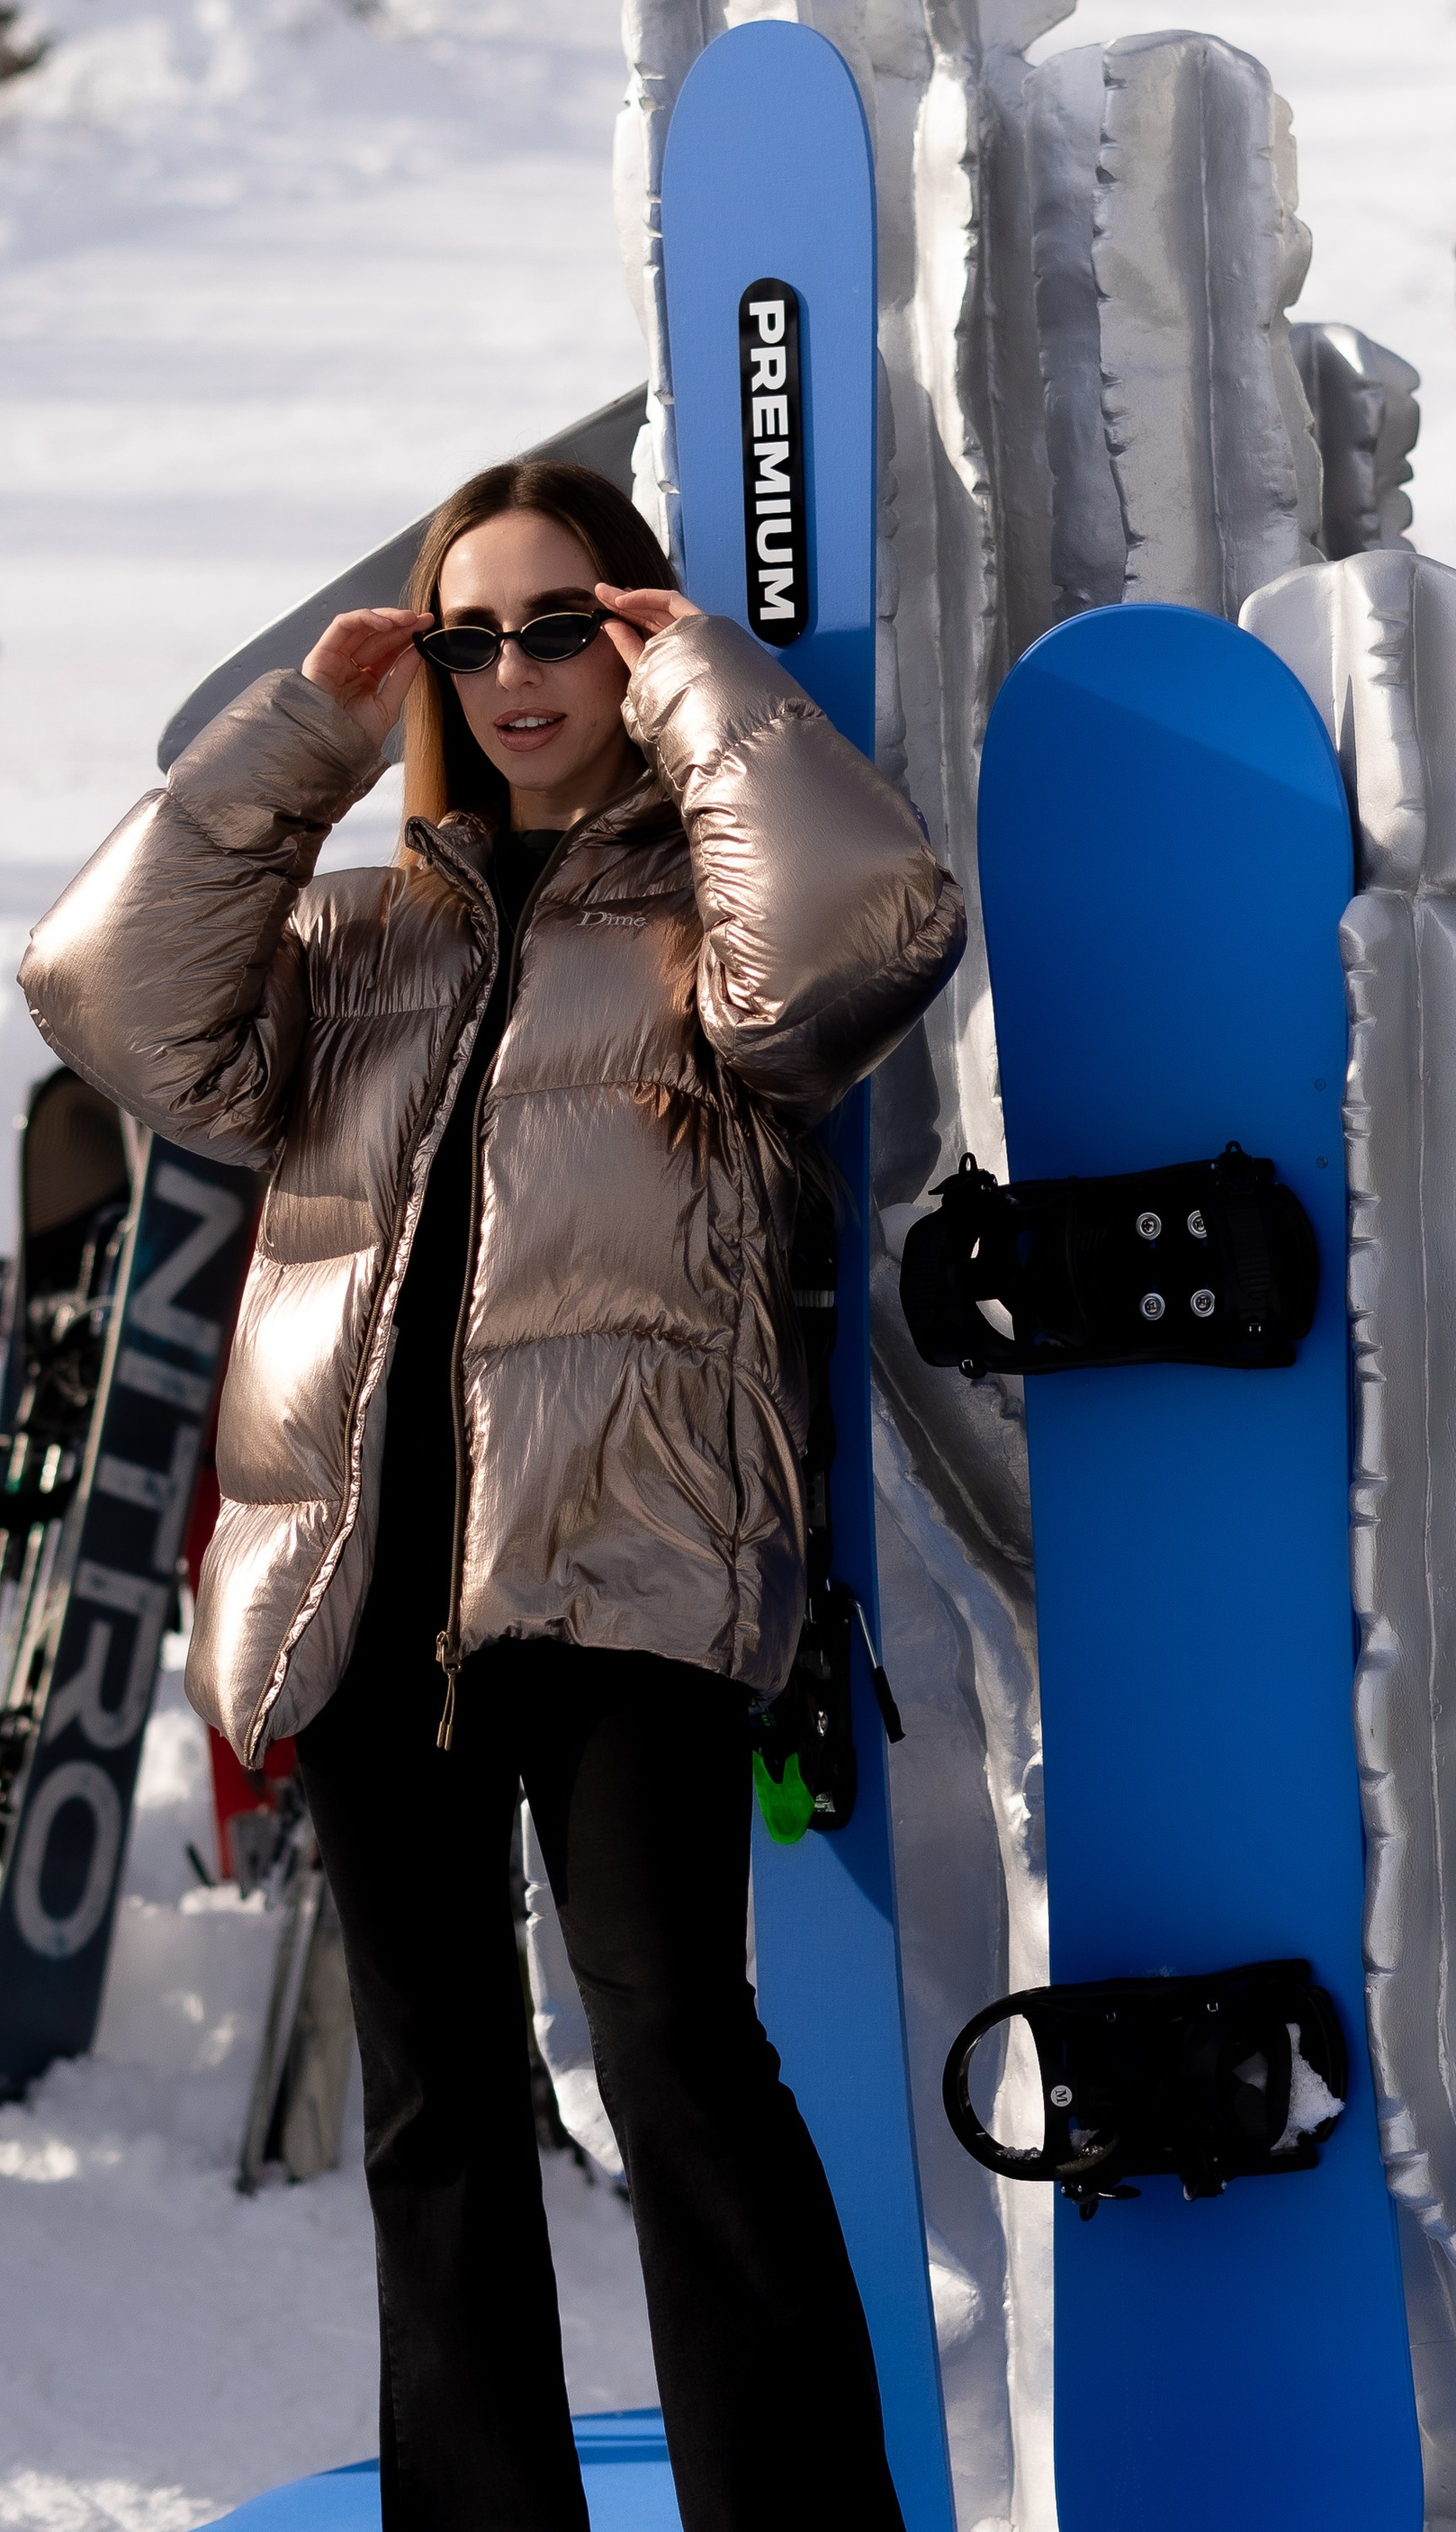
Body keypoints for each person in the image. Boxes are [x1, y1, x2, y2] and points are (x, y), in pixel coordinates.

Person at [20, 456, 964, 2532]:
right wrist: (304, 735)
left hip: (622, 1583)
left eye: (562, 624)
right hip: (365, 1601)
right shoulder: (349, 940)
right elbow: (99, 994)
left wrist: (707, 687)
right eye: (472, 634)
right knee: (434, 2107)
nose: (515, 670)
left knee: (676, 2058)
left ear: (627, 636)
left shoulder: (708, 946)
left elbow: (860, 932)